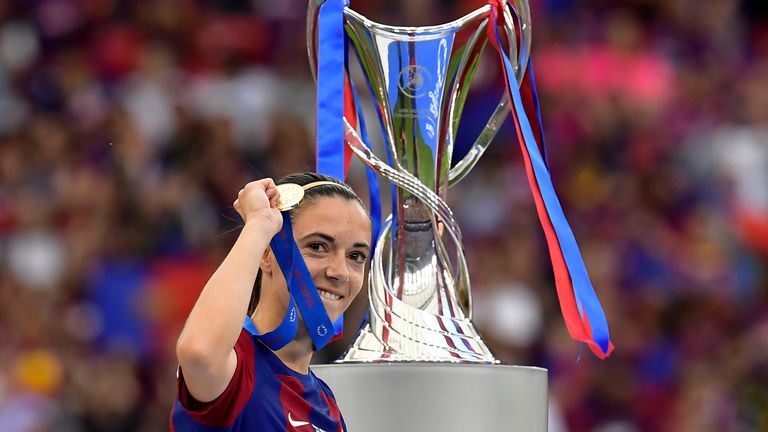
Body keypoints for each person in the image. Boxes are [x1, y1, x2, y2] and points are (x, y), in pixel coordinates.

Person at [171, 172, 372, 431]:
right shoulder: (238, 368)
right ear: (267, 253)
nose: (341, 271)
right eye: (318, 246)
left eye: (356, 255)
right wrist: (259, 224)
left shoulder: (326, 402)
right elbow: (199, 353)